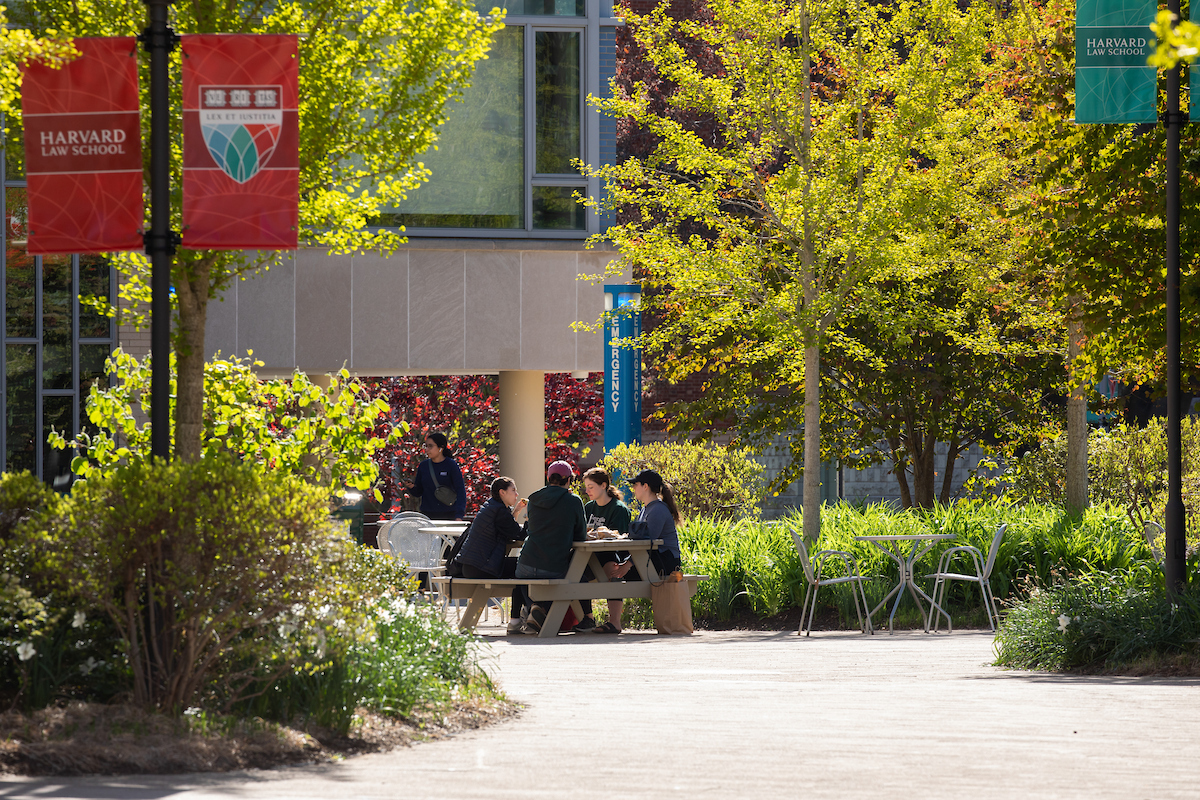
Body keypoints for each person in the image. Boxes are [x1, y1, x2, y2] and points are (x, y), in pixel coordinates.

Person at [516, 460, 590, 634]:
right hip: (553, 565)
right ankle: (586, 618)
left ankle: (535, 608)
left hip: (525, 564)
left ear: (548, 478)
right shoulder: (573, 500)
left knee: (527, 578)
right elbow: (581, 535)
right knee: (580, 574)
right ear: (568, 480)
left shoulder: (533, 499)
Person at [450, 476, 528, 634]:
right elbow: (519, 534)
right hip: (481, 567)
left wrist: (517, 511)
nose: (517, 494)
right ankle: (519, 619)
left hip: (471, 565)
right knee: (525, 568)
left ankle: (517, 619)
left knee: (520, 566)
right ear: (502, 492)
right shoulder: (499, 511)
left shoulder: (492, 507)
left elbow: (508, 529)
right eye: (513, 490)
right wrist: (530, 518)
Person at [581, 466, 633, 635]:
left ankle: (614, 622)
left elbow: (620, 541)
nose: (587, 491)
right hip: (587, 554)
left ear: (603, 486)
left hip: (612, 555)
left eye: (591, 487)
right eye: (586, 487)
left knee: (612, 568)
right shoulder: (588, 507)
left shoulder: (618, 509)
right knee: (572, 570)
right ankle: (587, 617)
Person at [628, 468, 682, 575]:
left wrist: (628, 564)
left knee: (628, 574)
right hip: (655, 558)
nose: (633, 488)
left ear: (645, 486)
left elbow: (648, 542)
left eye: (636, 484)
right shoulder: (646, 509)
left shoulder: (658, 509)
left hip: (666, 561)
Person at [406, 433, 467, 520]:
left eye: (430, 446)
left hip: (449, 514)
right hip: (427, 515)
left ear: (441, 448)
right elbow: (419, 492)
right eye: (426, 446)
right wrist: (411, 487)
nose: (427, 449)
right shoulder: (423, 466)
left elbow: (461, 491)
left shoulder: (451, 465)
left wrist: (459, 515)